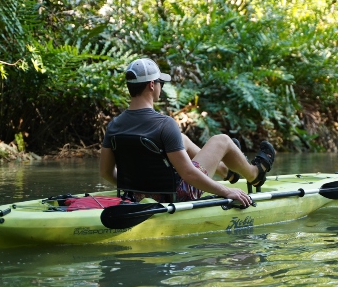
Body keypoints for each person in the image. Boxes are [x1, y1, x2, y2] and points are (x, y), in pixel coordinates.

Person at [99, 58, 275, 207]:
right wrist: (226, 192)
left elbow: (106, 172)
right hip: (177, 196)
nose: (161, 86)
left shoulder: (114, 126)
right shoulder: (165, 124)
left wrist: (137, 188)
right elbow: (188, 174)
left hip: (135, 197)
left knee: (180, 139)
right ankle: (255, 174)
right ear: (152, 85)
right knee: (221, 140)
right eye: (161, 82)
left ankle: (225, 171)